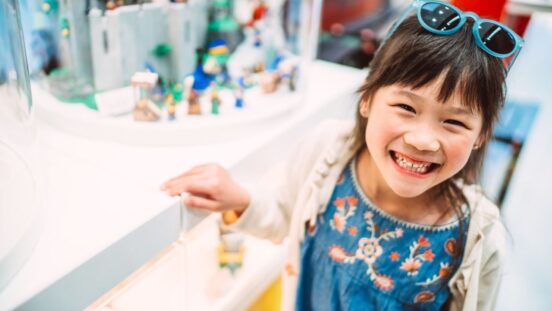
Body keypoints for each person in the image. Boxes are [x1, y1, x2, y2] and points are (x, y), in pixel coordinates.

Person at [161, 1, 523, 310]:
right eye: (406, 107)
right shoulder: (328, 151)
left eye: (454, 123)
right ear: (366, 98)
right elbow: (286, 215)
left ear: (480, 136)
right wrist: (238, 198)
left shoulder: (479, 238)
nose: (423, 139)